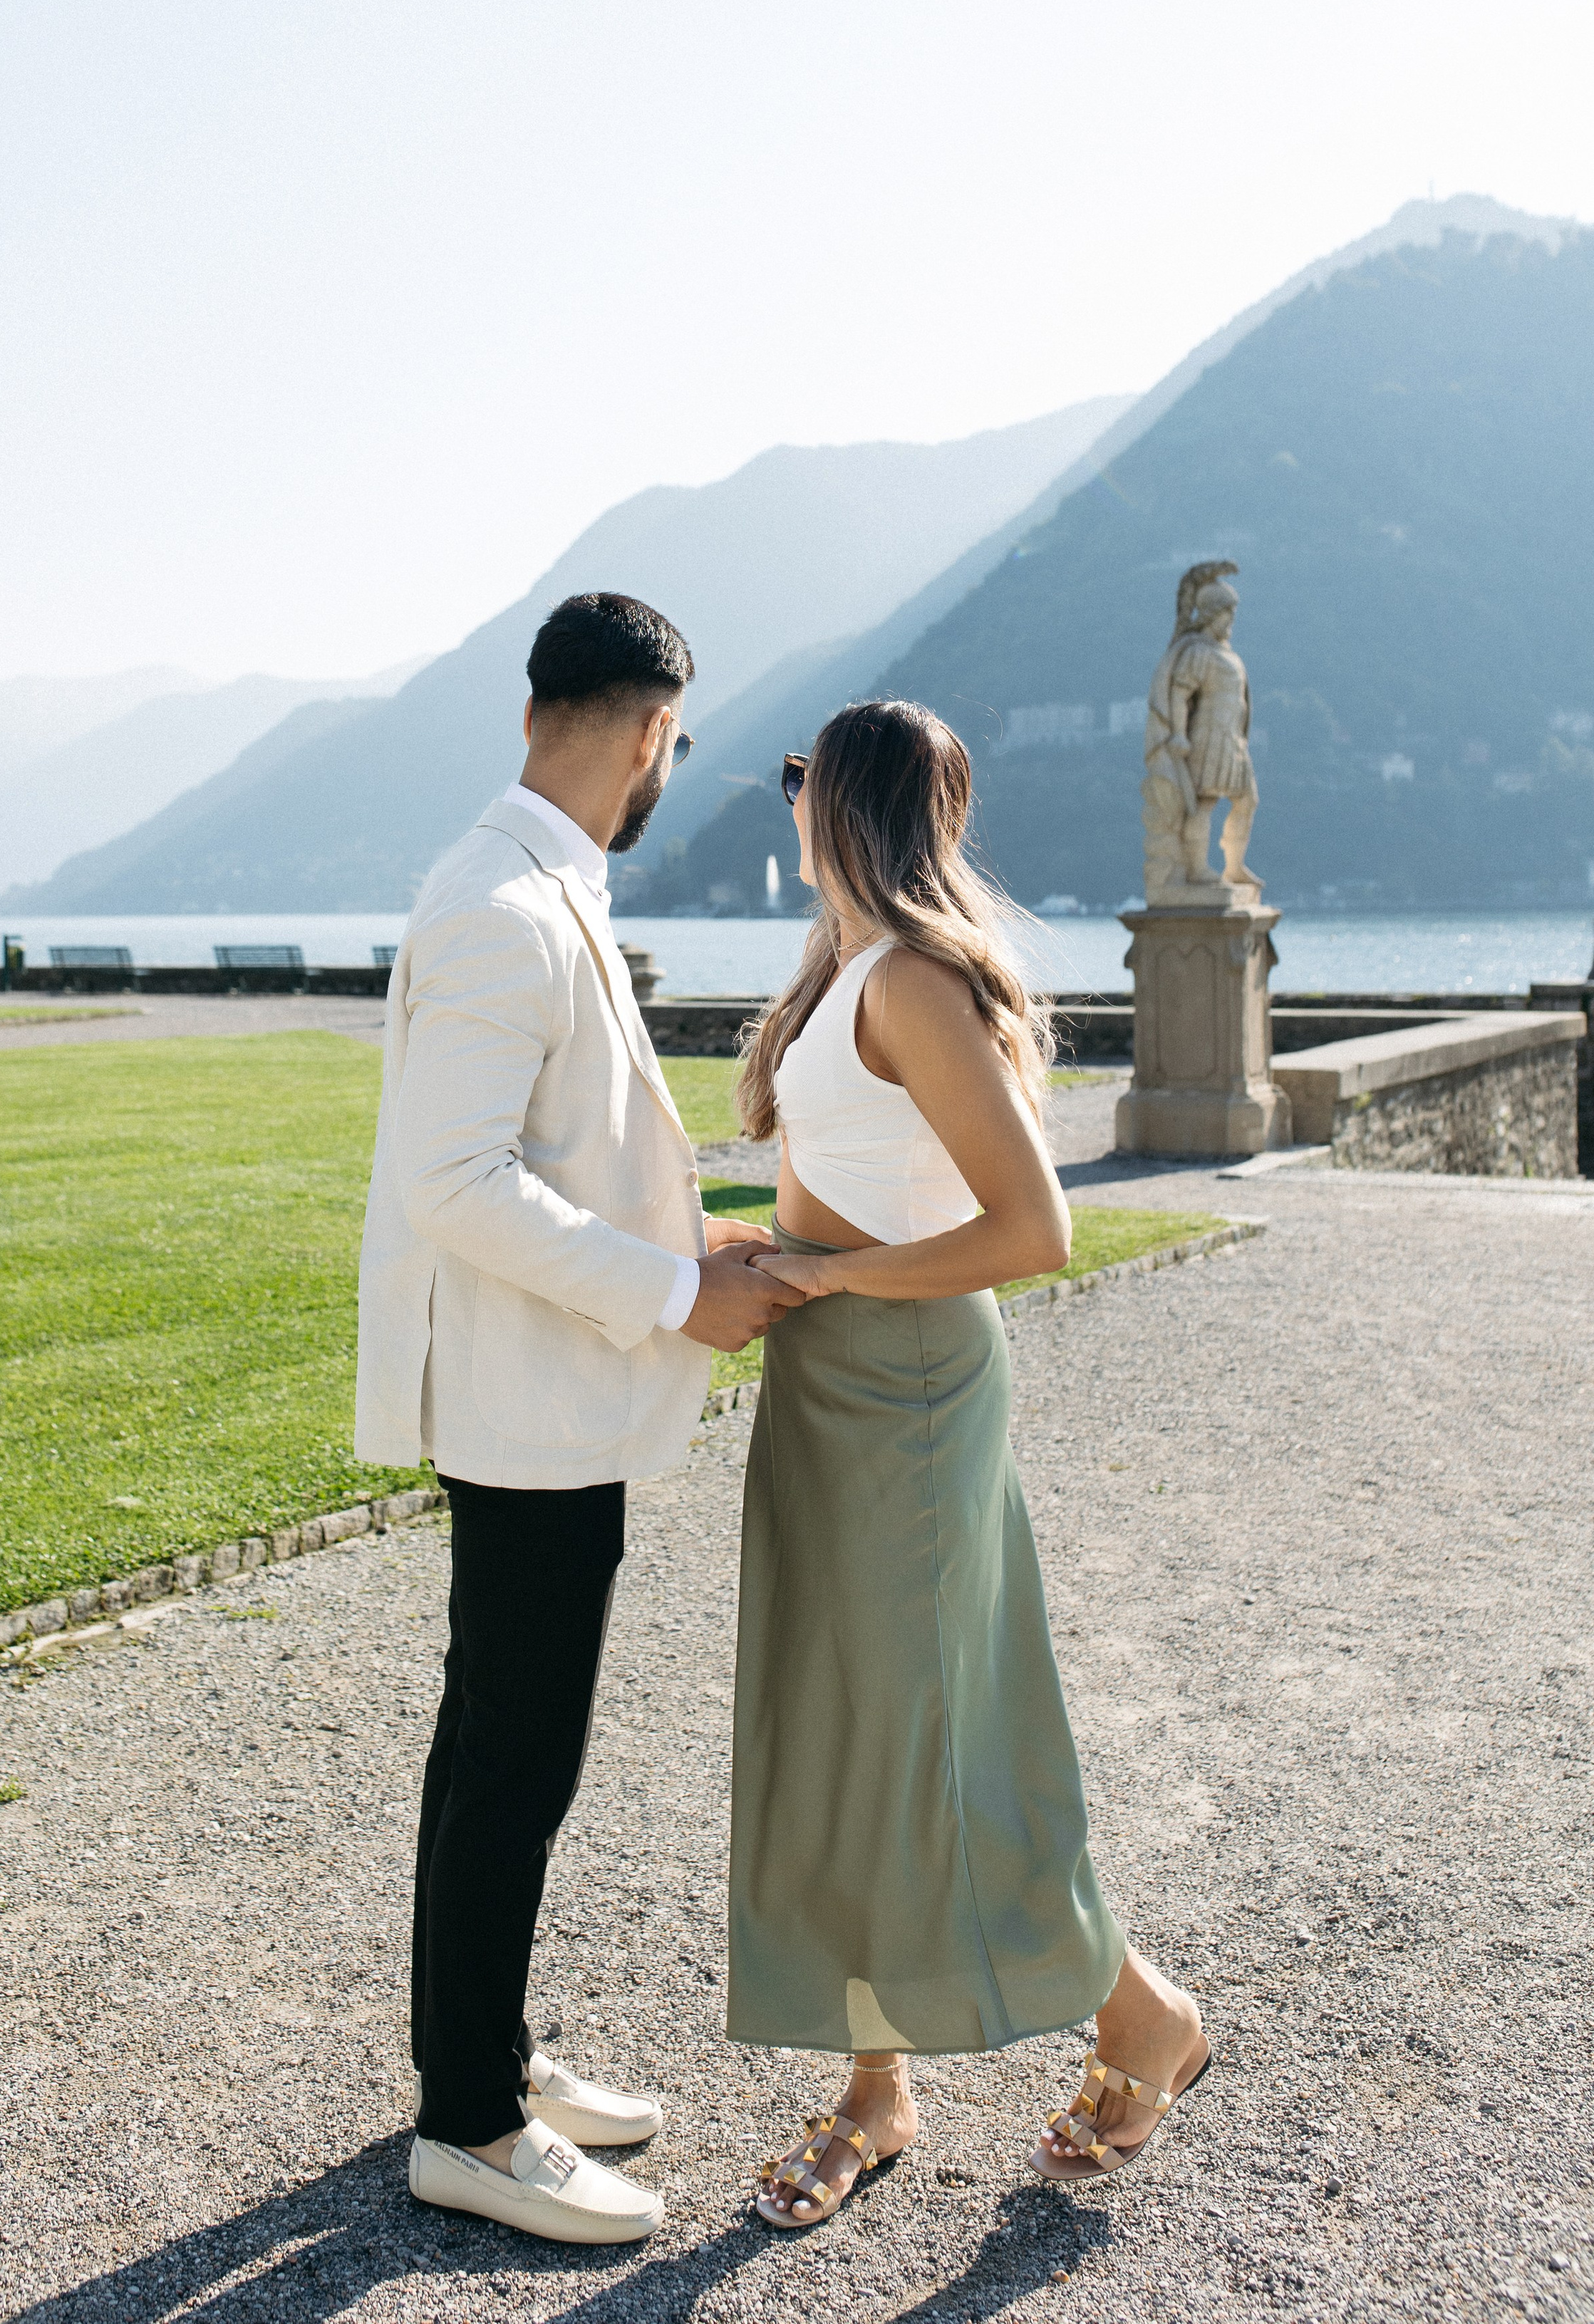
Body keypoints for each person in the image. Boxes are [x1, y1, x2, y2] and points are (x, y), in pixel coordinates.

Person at [355, 591, 802, 2247]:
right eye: (674, 746)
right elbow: (458, 1185)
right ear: (649, 733)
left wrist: (695, 1248)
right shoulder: (506, 904)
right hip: (527, 1404)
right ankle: (469, 2127)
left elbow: (557, 1154)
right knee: (512, 1761)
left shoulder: (525, 879)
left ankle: (477, 2060)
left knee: (490, 1746)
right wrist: (677, 1295)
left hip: (535, 1391)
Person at [728, 700, 1211, 2226]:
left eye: (800, 780)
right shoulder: (844, 970)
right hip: (829, 1374)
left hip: (908, 1386)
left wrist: (827, 1275)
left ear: (844, 802)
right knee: (847, 1734)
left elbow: (1033, 1229)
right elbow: (849, 1183)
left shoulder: (915, 982)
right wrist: (764, 1250)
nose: (786, 801)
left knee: (943, 1742)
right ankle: (876, 2089)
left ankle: (1143, 2013)